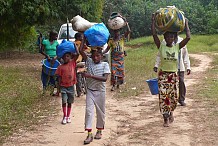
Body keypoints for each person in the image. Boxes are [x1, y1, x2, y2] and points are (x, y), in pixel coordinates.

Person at [151, 13, 191, 127]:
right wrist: (153, 21)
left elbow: (188, 37)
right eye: (167, 37)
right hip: (163, 76)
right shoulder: (161, 46)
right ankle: (165, 118)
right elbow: (154, 34)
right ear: (165, 38)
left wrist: (186, 24)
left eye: (172, 37)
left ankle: (171, 112)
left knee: (173, 97)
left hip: (173, 76)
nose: (169, 39)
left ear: (174, 38)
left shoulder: (177, 47)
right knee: (164, 97)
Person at [79, 36, 111, 144]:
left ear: (102, 56)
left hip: (100, 92)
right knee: (89, 112)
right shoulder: (89, 61)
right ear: (91, 56)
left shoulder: (105, 65)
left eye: (98, 55)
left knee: (100, 112)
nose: (95, 57)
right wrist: (83, 37)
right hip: (90, 91)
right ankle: (89, 134)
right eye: (94, 55)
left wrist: (90, 76)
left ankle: (99, 130)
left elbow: (105, 79)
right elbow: (80, 50)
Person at [153, 34, 191, 106]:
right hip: (168, 68)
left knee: (181, 82)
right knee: (169, 86)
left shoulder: (181, 40)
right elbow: (159, 54)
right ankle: (169, 101)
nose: (170, 38)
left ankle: (181, 99)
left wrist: (188, 66)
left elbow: (185, 54)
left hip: (180, 66)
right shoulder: (165, 41)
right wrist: (156, 65)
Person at [103, 17, 131, 91]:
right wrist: (102, 52)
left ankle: (118, 84)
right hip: (114, 57)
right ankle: (113, 85)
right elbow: (107, 49)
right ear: (113, 33)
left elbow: (129, 31)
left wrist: (126, 23)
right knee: (114, 71)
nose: (116, 33)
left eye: (117, 32)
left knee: (120, 71)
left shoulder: (122, 38)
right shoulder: (111, 41)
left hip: (120, 57)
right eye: (115, 32)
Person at [55, 51, 79, 124]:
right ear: (62, 58)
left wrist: (75, 46)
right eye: (64, 56)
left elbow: (77, 54)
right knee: (64, 101)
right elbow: (59, 78)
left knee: (69, 102)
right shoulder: (60, 67)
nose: (66, 58)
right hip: (63, 87)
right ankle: (65, 116)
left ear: (70, 57)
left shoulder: (72, 63)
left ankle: (68, 116)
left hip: (71, 86)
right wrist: (58, 89)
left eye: (68, 56)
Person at [40, 30, 60, 96]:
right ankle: (44, 90)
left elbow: (59, 52)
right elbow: (41, 50)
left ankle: (51, 91)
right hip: (47, 60)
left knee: (53, 75)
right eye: (55, 36)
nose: (56, 37)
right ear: (51, 36)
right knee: (45, 74)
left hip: (54, 61)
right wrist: (47, 56)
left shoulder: (56, 43)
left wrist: (55, 57)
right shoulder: (45, 42)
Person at [74, 32, 91, 97]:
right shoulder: (81, 44)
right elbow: (88, 50)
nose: (82, 38)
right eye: (81, 37)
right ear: (78, 38)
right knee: (84, 75)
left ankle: (79, 92)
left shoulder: (73, 43)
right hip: (80, 61)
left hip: (75, 62)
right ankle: (85, 89)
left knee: (78, 77)